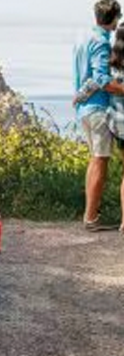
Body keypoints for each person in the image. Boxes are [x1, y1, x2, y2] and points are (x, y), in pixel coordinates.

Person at [73, 0, 124, 232]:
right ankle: (91, 217)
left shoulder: (83, 38)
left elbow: (89, 78)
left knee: (95, 159)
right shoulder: (101, 42)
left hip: (85, 108)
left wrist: (79, 95)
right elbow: (103, 80)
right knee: (100, 161)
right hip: (98, 109)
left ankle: (90, 215)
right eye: (118, 16)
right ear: (113, 17)